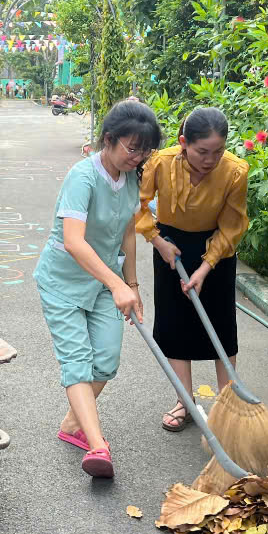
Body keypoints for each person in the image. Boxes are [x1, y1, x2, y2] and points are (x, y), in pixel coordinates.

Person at [35, 99, 161, 479]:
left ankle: (73, 423)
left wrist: (133, 285)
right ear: (109, 139)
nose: (138, 157)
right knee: (77, 361)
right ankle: (97, 445)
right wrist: (116, 283)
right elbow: (74, 241)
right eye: (132, 147)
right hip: (63, 283)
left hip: (106, 283)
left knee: (106, 360)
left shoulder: (130, 179)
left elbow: (127, 230)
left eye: (145, 150)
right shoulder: (83, 177)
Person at [136, 107, 248, 432]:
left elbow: (232, 225)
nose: (210, 160)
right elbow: (139, 205)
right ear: (184, 142)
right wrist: (158, 241)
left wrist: (205, 267)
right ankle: (185, 400)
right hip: (171, 247)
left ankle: (228, 407)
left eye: (218, 151)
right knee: (174, 325)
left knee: (221, 328)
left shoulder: (235, 172)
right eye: (202, 151)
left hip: (217, 251)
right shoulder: (160, 162)